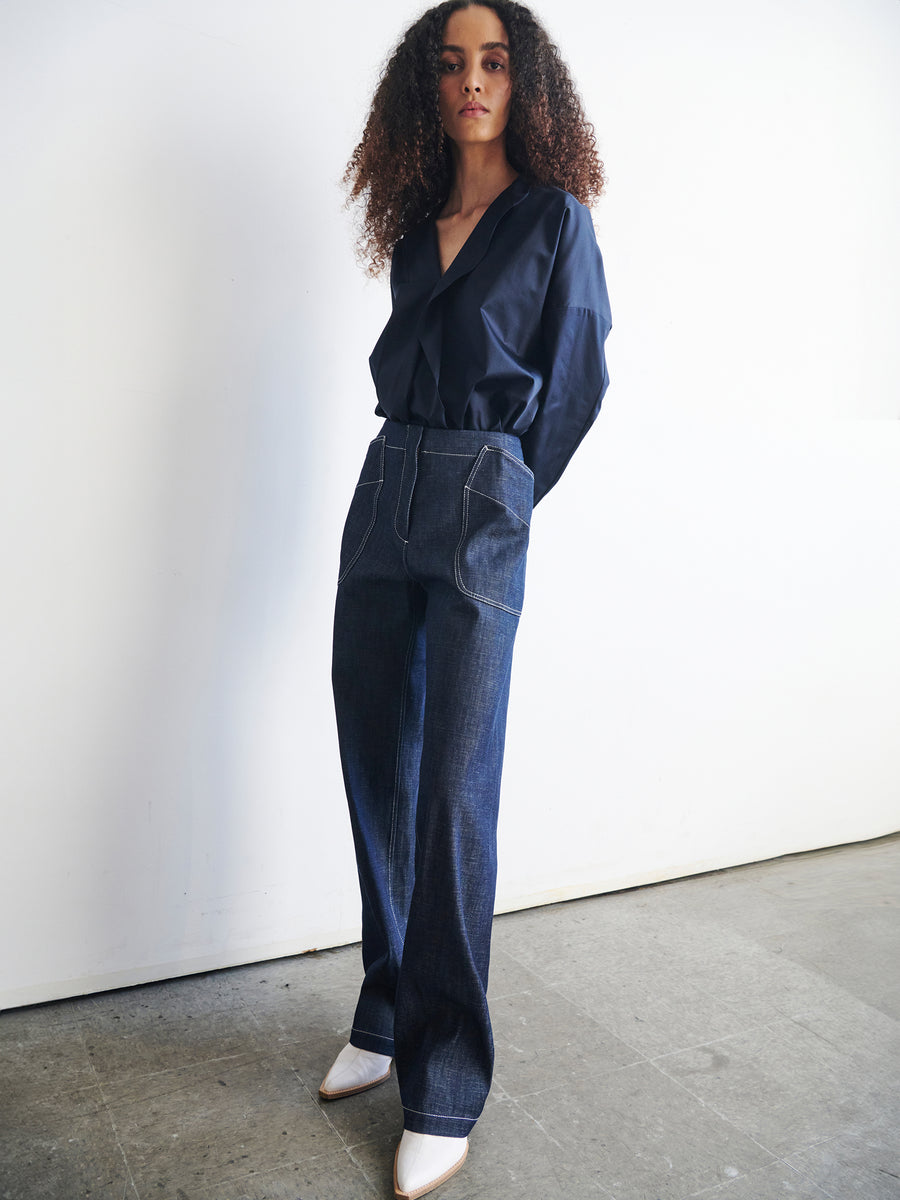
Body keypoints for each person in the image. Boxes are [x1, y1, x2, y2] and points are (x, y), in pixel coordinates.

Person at [320, 2, 611, 1196]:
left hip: (480, 497)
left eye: (494, 62)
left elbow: (580, 374)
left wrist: (503, 489)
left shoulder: (553, 220)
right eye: (451, 65)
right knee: (373, 762)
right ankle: (386, 1010)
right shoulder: (414, 225)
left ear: (526, 83)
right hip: (385, 483)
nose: (472, 82)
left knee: (452, 791)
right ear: (423, 88)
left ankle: (445, 1080)